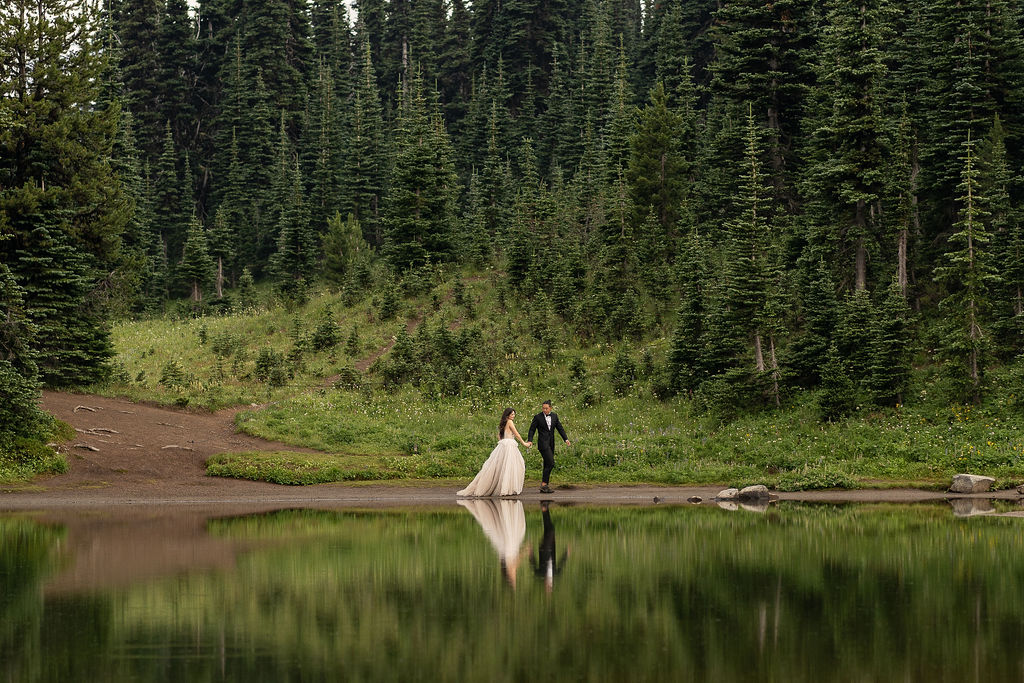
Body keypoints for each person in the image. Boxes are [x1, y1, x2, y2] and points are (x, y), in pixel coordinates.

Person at [456, 408, 529, 497]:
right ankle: (507, 488)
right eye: (512, 414)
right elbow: (516, 434)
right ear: (508, 415)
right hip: (509, 445)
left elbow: (499, 435)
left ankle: (504, 487)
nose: (514, 416)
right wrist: (524, 443)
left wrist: (503, 441)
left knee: (501, 466)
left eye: (514, 414)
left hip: (503, 445)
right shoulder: (509, 422)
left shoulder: (503, 423)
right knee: (511, 466)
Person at [527, 400, 570, 494]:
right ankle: (544, 484)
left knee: (547, 463)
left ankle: (544, 486)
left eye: (546, 408)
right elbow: (532, 429)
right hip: (543, 444)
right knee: (551, 462)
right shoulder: (537, 417)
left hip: (551, 443)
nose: (544, 410)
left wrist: (565, 439)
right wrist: (530, 440)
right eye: (543, 408)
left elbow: (560, 427)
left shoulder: (554, 416)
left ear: (550, 408)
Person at [530, 501, 568, 594]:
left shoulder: (540, 574)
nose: (548, 583)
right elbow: (561, 563)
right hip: (552, 547)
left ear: (545, 584)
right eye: (549, 585)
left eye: (547, 585)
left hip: (544, 548)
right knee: (549, 529)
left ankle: (544, 509)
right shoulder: (556, 574)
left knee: (550, 530)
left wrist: (530, 552)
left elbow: (533, 564)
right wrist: (566, 553)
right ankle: (545, 509)